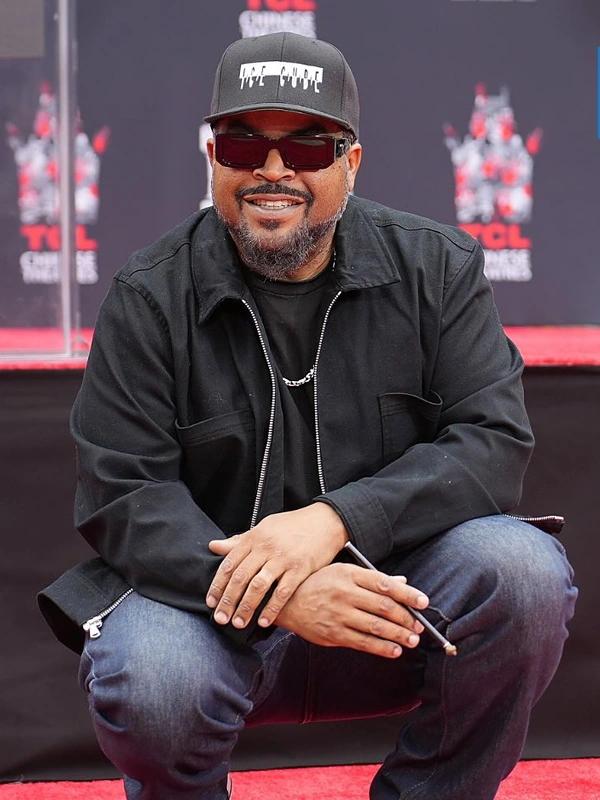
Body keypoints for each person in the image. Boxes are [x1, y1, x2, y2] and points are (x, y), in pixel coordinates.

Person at [39, 31, 577, 800]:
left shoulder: (436, 268)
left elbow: (492, 442)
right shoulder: (149, 294)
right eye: (244, 142)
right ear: (213, 158)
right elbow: (124, 493)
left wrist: (335, 521)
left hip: (389, 608)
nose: (273, 169)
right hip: (210, 617)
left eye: (307, 147)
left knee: (523, 574)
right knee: (151, 679)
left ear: (351, 162)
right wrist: (282, 594)